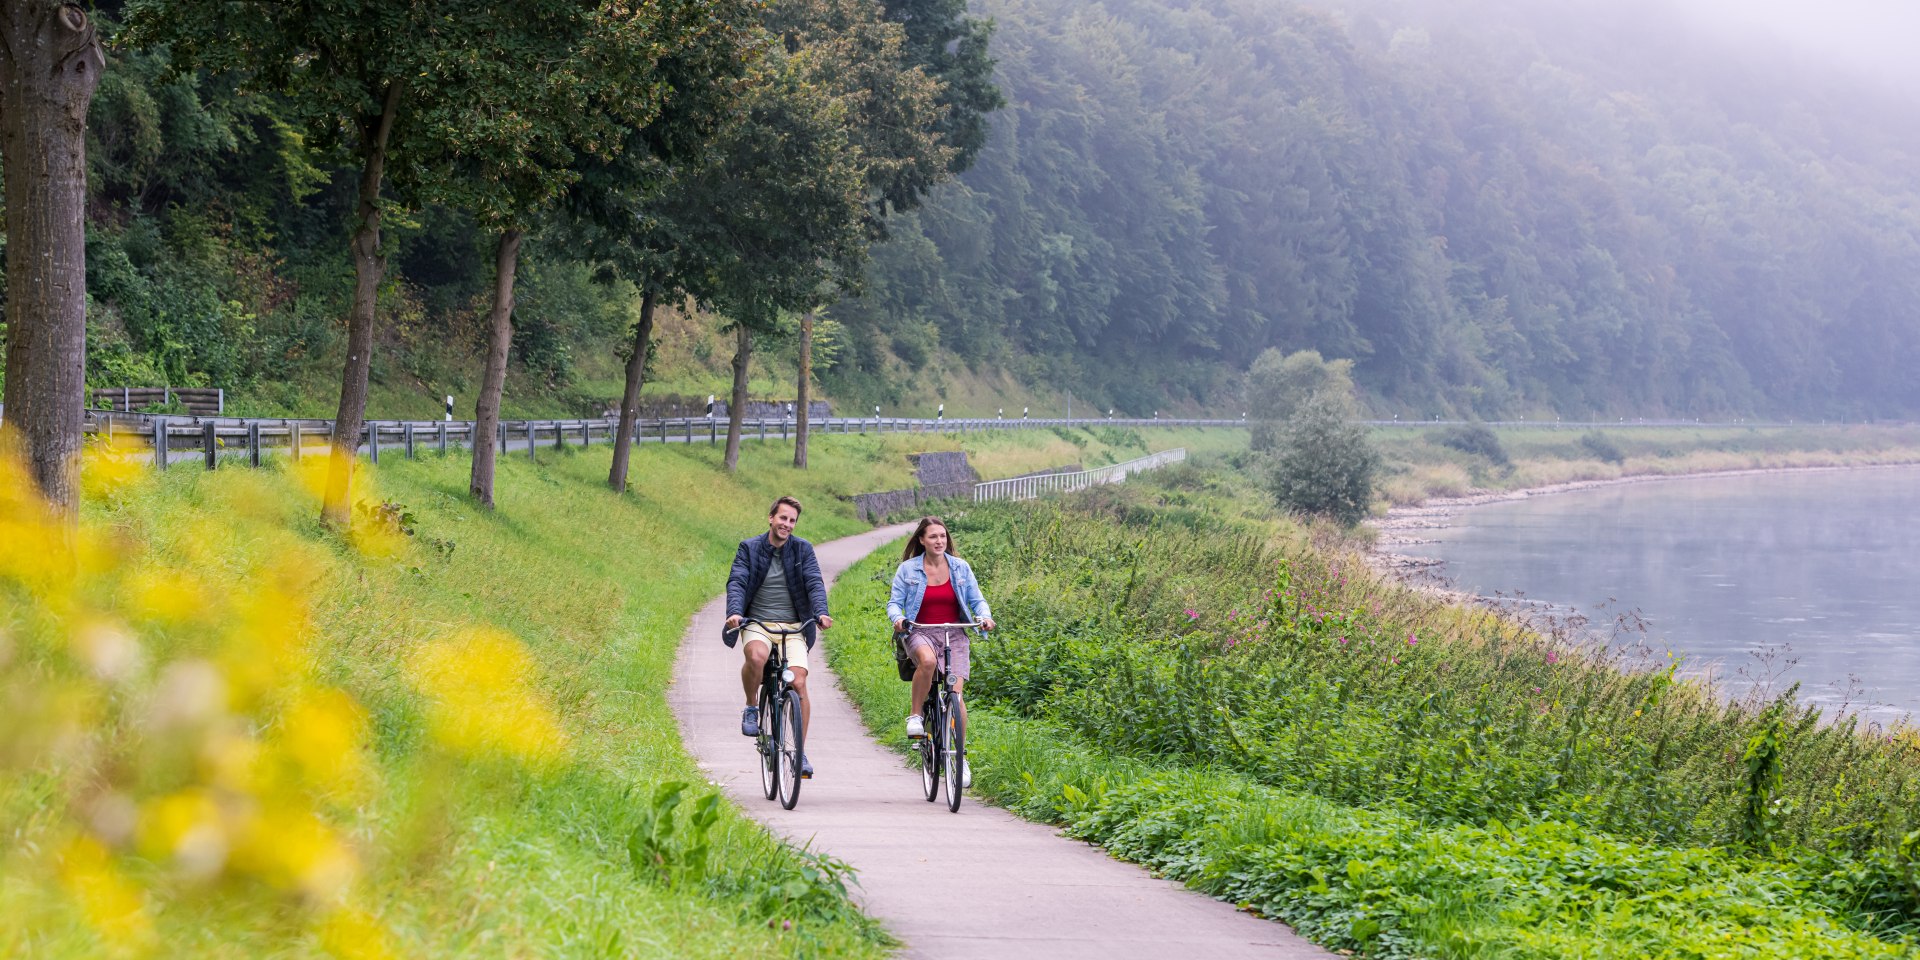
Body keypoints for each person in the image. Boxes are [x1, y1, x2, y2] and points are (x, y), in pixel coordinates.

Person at [725, 496, 832, 777]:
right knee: (757, 656)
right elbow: (737, 580)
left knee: (798, 681)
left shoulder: (803, 550)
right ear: (771, 518)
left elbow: (814, 583)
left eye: (792, 520)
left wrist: (820, 613)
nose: (787, 524)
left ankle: (799, 751)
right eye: (782, 518)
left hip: (793, 625)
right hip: (757, 622)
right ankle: (751, 706)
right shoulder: (749, 548)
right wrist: (735, 612)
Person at [887, 516, 994, 786]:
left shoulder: (960, 568)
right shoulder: (908, 570)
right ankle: (916, 716)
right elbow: (894, 603)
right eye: (933, 537)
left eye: (943, 536)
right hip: (919, 630)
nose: (939, 541)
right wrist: (898, 619)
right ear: (922, 540)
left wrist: (984, 616)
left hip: (954, 632)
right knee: (928, 661)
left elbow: (976, 598)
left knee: (956, 698)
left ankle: (960, 756)